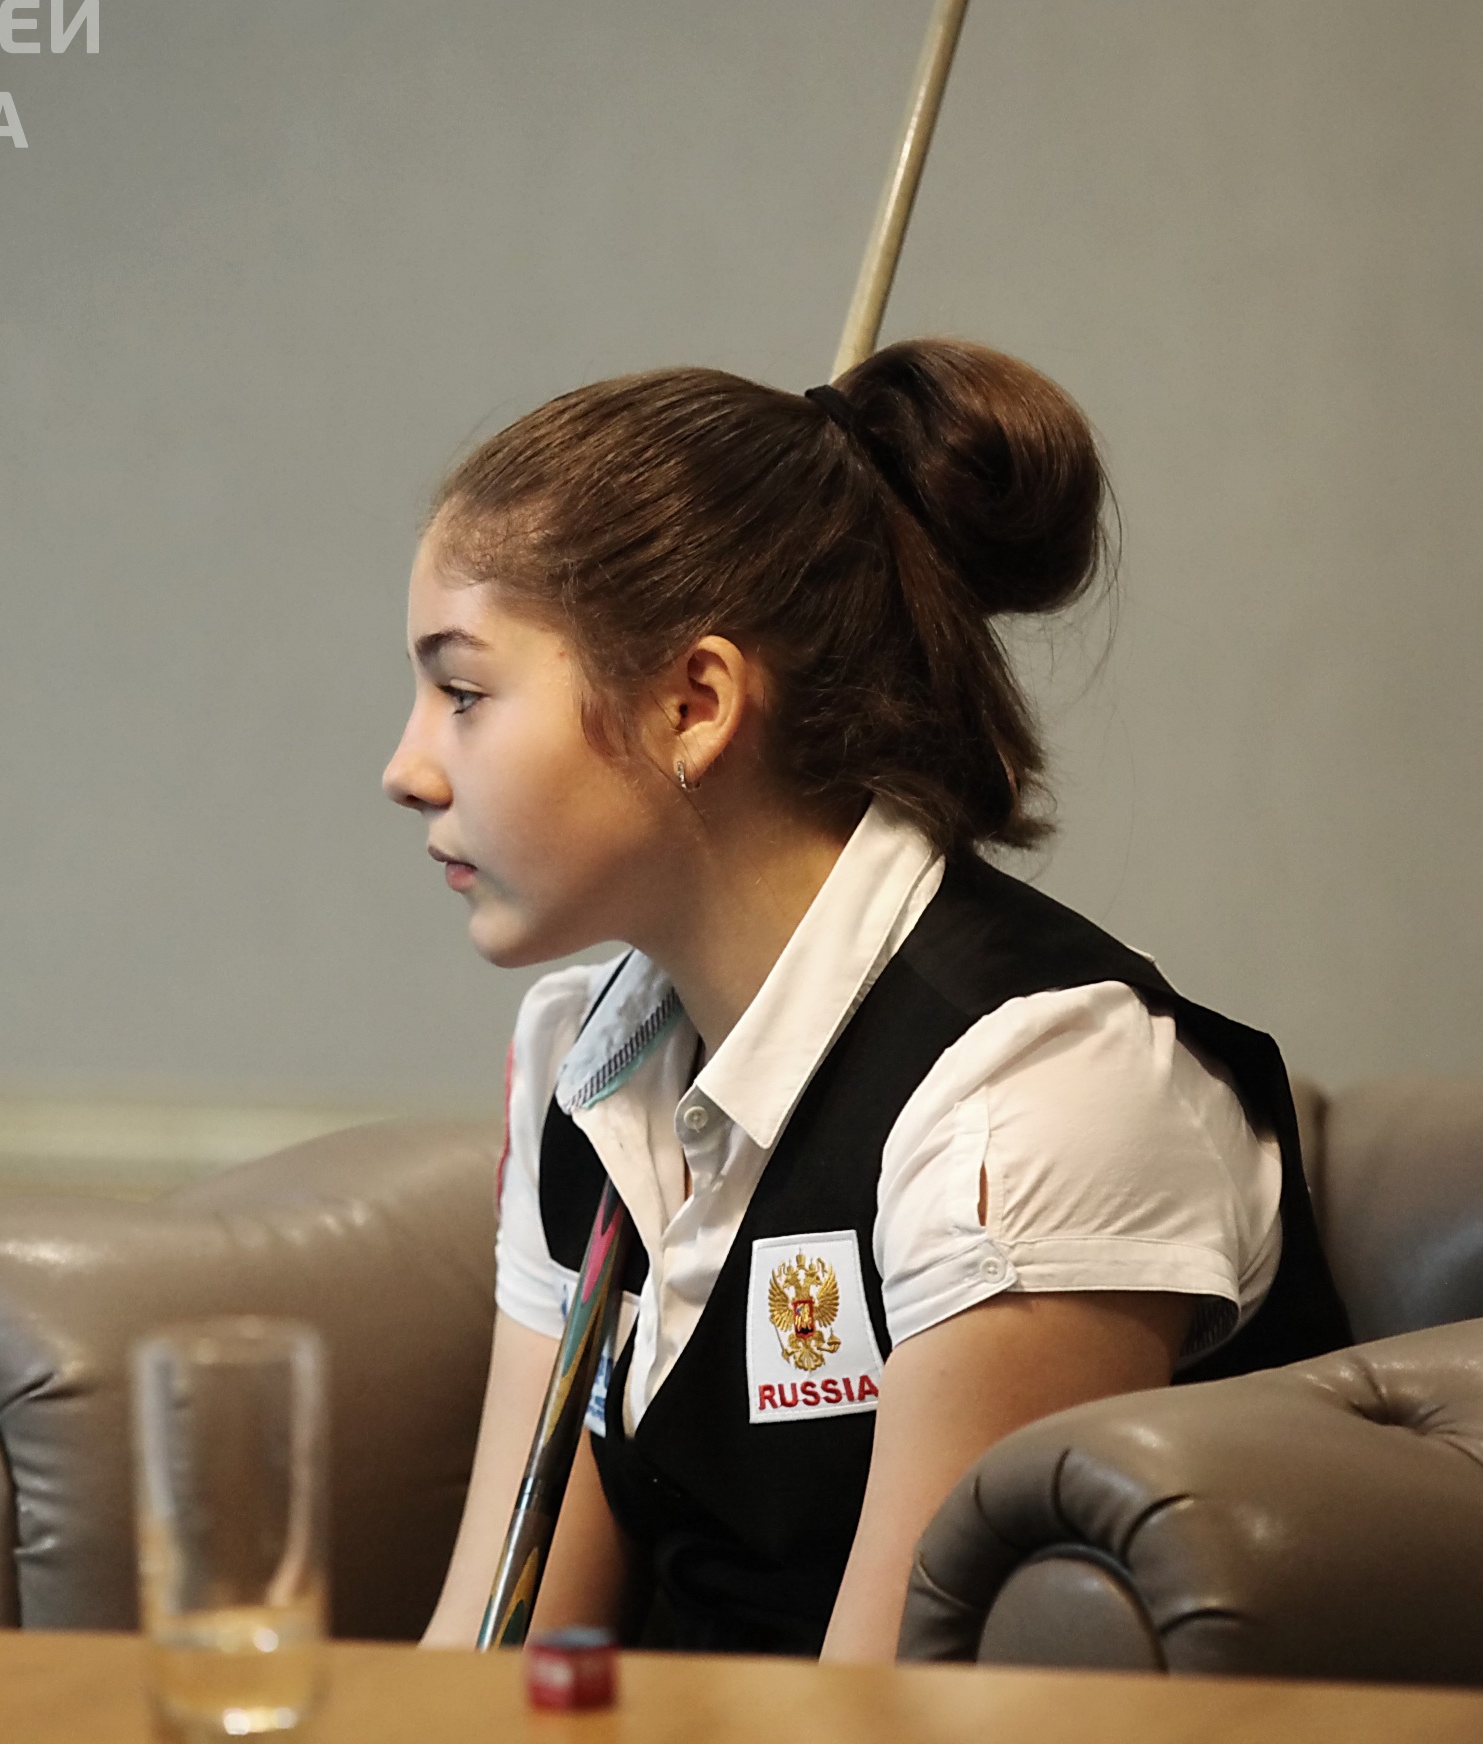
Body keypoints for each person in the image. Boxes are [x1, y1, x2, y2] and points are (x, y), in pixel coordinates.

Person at [381, 338, 1347, 1661]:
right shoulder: (584, 1059)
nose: (408, 768)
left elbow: (893, 1711)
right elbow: (501, 1650)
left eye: (463, 693)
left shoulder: (1032, 1089)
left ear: (694, 704)